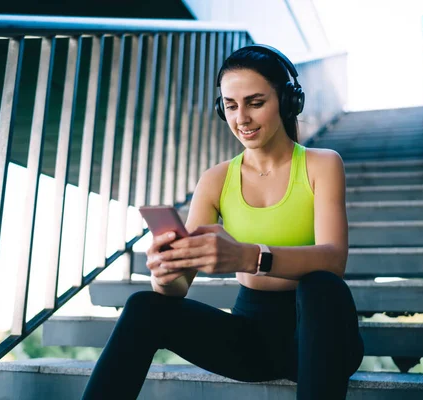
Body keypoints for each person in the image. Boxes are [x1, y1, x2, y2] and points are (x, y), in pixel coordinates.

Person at [82, 44, 364, 400]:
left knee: (321, 286)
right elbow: (178, 288)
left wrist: (249, 257)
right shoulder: (215, 179)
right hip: (251, 340)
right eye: (230, 106)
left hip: (321, 338)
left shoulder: (322, 164)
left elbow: (333, 259)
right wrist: (166, 272)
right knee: (143, 306)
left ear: (288, 101)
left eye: (255, 103)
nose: (241, 118)